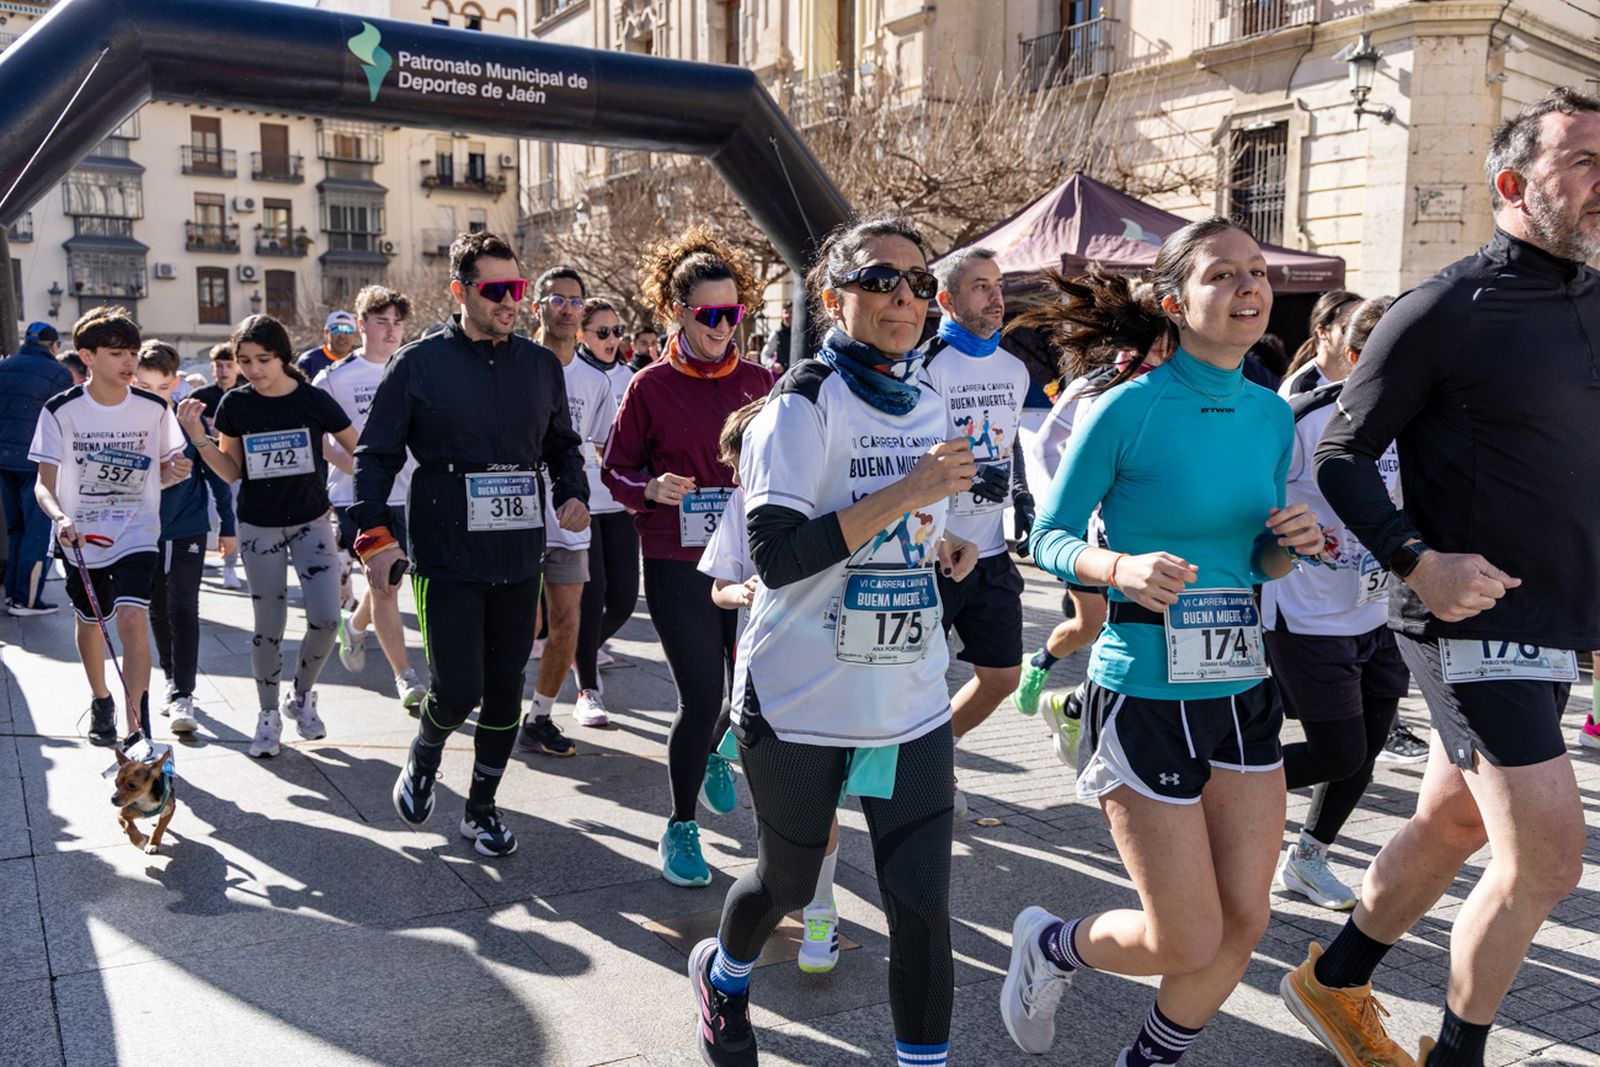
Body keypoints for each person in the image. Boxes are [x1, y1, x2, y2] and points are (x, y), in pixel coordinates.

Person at [1286, 87, 1600, 1067]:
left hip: (1552, 619)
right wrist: (1417, 559)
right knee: (1545, 855)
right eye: (1584, 160)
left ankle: (1331, 980)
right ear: (1510, 182)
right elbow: (1340, 453)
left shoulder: (1593, 301)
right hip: (1462, 618)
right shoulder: (1441, 307)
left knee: (1453, 816)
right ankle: (1454, 1056)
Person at [998, 218, 1328, 1067]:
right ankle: (1051, 946)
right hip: (1145, 686)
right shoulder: (1127, 407)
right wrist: (1119, 566)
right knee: (1186, 935)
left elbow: (1257, 560)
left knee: (1247, 919)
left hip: (1243, 685)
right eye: (1224, 275)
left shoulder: (1269, 414)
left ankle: (1148, 1059)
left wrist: (1288, 542)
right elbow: (1050, 537)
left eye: (1257, 271)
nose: (1249, 286)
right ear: (1176, 303)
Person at [687, 216, 978, 1067]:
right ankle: (725, 974)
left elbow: (922, 517)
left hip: (908, 694)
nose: (904, 296)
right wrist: (909, 488)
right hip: (800, 696)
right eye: (881, 278)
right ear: (831, 297)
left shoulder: (927, 395)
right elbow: (775, 557)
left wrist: (943, 534)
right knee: (787, 878)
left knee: (921, 905)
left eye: (920, 283)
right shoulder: (799, 406)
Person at [352, 230, 588, 858]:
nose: (513, 301)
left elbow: (562, 444)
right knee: (457, 689)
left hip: (518, 556)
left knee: (507, 687)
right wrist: (372, 539)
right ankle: (425, 754)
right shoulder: (419, 364)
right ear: (461, 292)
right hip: (446, 556)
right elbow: (374, 458)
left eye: (518, 288)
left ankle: (481, 809)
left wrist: (573, 489)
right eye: (497, 290)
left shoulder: (540, 366)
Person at [602, 225, 774, 888]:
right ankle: (679, 826)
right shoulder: (648, 386)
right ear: (679, 312)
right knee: (701, 694)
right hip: (676, 557)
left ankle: (711, 752)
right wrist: (648, 486)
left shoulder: (762, 380)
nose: (724, 326)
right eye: (710, 315)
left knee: (752, 692)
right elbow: (614, 469)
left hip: (750, 560)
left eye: (733, 314)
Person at [1260, 296, 1408, 911]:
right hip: (1307, 612)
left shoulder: (1414, 416)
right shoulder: (1300, 418)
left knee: (1366, 751)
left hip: (1379, 609)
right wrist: (1293, 533)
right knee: (1336, 751)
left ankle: (1309, 859)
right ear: (1355, 358)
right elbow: (1257, 503)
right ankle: (1203, 790)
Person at [698, 394, 847, 975]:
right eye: (736, 468)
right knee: (796, 814)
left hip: (843, 668)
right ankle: (812, 903)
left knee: (828, 802)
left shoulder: (832, 490)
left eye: (747, 464)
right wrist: (742, 592)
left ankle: (821, 909)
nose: (740, 478)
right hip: (770, 680)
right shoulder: (742, 504)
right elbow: (719, 586)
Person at [177, 314, 358, 758]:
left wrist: (339, 462)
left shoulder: (314, 400)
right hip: (259, 525)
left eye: (263, 360)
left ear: (284, 358)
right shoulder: (236, 405)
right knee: (269, 626)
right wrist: (199, 439)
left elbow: (360, 449)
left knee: (327, 619)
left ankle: (301, 696)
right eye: (244, 361)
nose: (253, 370)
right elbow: (231, 470)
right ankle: (267, 715)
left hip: (312, 521)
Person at [30, 306, 187, 746]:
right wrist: (60, 517)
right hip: (80, 534)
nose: (129, 362)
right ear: (87, 356)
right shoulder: (60, 410)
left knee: (133, 618)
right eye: (117, 353)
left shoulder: (154, 407)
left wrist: (173, 472)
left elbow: (161, 468)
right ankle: (102, 698)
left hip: (137, 530)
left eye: (133, 353)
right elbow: (42, 485)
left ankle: (138, 725)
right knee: (91, 620)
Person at [1015, 325, 1173, 757]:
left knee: (1122, 629)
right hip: (1090, 539)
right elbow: (1045, 445)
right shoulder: (1096, 384)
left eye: (1169, 337)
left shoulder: (1183, 385)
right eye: (1152, 336)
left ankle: (1077, 708)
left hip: (1148, 538)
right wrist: (1065, 508)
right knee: (1092, 624)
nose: (1161, 345)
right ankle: (1043, 669)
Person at [917, 248, 1034, 812]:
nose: (995, 297)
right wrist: (936, 531)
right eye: (980, 286)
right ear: (946, 300)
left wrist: (1023, 501)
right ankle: (918, 774)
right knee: (918, 681)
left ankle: (939, 752)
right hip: (930, 553)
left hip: (990, 551)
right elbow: (907, 461)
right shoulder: (925, 365)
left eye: (998, 285)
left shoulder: (1013, 370)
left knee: (1002, 676)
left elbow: (1008, 448)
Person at [313, 285, 428, 712]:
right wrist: (356, 467)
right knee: (384, 585)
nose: (392, 330)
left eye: (398, 322)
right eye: (382, 322)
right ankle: (407, 677)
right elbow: (319, 439)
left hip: (414, 493)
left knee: (397, 577)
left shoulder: (415, 367)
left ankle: (355, 625)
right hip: (358, 497)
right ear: (362, 325)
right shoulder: (334, 377)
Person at [514, 266, 616, 738]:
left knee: (568, 618)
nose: (568, 308)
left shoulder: (595, 382)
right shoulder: (511, 364)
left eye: (576, 301)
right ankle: (496, 704)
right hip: (513, 513)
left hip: (571, 515)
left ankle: (541, 714)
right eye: (557, 299)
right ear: (537, 308)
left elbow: (600, 448)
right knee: (517, 621)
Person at [136, 340, 235, 736]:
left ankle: (183, 693)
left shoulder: (187, 421)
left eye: (160, 388)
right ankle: (170, 679)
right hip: (142, 531)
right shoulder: (124, 422)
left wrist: (227, 525)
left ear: (174, 383)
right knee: (157, 608)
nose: (152, 396)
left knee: (183, 606)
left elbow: (217, 476)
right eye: (143, 387)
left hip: (187, 528)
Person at [571, 297, 640, 713]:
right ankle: (587, 688)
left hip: (620, 503)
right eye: (602, 332)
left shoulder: (633, 377)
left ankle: (576, 648)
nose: (612, 339)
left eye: (617, 332)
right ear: (581, 335)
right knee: (592, 594)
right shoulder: (569, 374)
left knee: (625, 599)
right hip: (581, 503)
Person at [1, 321, 74, 614]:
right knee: (37, 530)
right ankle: (26, 599)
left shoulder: (4, 367)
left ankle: (13, 592)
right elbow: (68, 418)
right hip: (36, 462)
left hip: (4, 460)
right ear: (54, 345)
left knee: (16, 529)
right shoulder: (57, 372)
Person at [192, 342, 244, 590]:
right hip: (206, 465)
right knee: (208, 516)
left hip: (236, 464)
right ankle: (199, 558)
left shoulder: (246, 394)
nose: (224, 370)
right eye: (219, 365)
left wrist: (217, 428)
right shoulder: (200, 396)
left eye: (229, 365)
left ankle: (230, 567)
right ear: (213, 368)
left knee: (230, 515)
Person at [1279, 289, 1362, 396]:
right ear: (1322, 332)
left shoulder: (1367, 378)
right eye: (1347, 329)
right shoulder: (1299, 390)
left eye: (1362, 329)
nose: (1358, 336)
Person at [295, 310, 358, 380]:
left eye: (348, 330)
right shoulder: (308, 361)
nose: (342, 336)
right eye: (336, 329)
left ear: (355, 335)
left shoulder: (360, 362)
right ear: (326, 332)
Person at [759, 302, 793, 374]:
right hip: (783, 377)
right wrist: (773, 365)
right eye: (786, 312)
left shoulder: (802, 334)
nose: (788, 315)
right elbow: (764, 355)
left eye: (791, 312)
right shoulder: (776, 334)